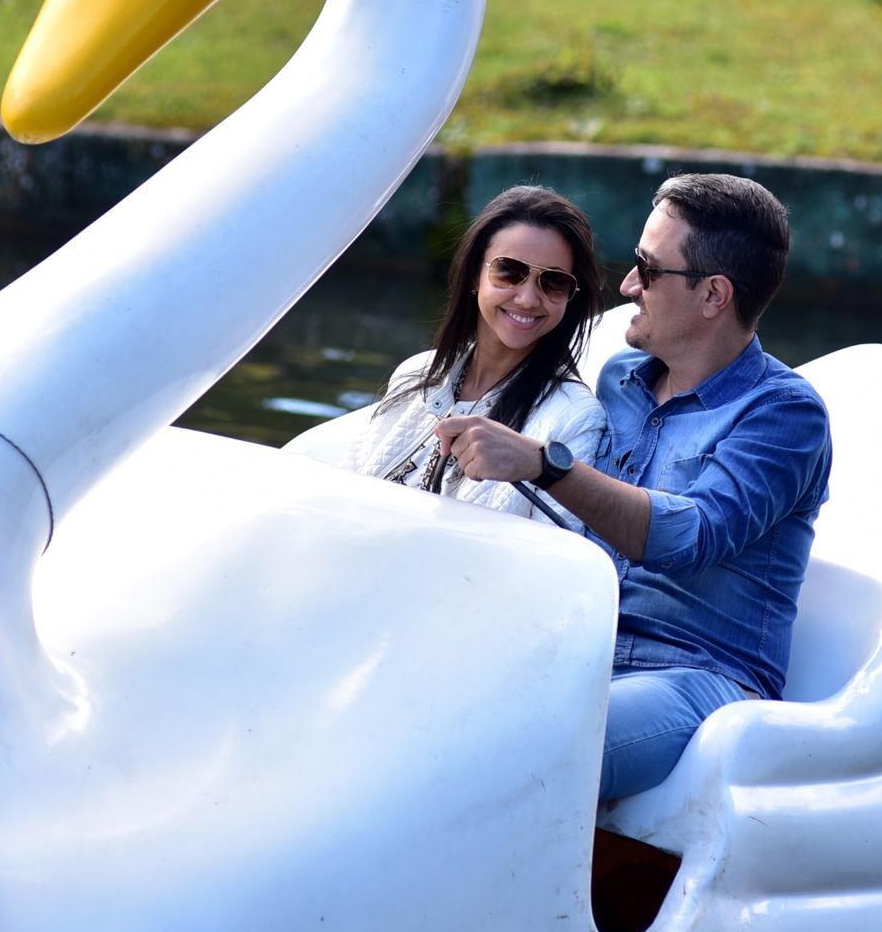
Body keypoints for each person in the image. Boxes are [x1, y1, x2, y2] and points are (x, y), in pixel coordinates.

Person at [440, 173, 833, 801]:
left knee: (526, 753)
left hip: (697, 678)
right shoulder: (622, 379)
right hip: (582, 649)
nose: (627, 287)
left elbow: (691, 534)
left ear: (713, 295)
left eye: (648, 271)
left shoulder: (785, 414)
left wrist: (546, 463)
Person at [342, 185, 608, 530]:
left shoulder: (575, 417)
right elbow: (345, 492)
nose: (528, 298)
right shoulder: (415, 374)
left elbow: (558, 557)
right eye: (510, 271)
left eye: (553, 282)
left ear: (571, 296)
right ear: (474, 275)